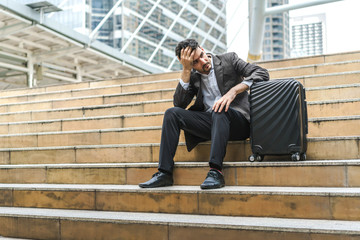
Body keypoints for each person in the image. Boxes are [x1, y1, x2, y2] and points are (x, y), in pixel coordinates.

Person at [139, 39, 269, 189]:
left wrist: (233, 91)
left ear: (202, 48)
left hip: (238, 121)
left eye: (201, 55)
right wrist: (186, 71)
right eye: (195, 62)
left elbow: (261, 73)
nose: (202, 61)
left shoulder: (228, 59)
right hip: (211, 124)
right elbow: (179, 104)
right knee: (172, 113)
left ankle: (215, 172)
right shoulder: (193, 75)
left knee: (219, 109)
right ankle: (164, 173)